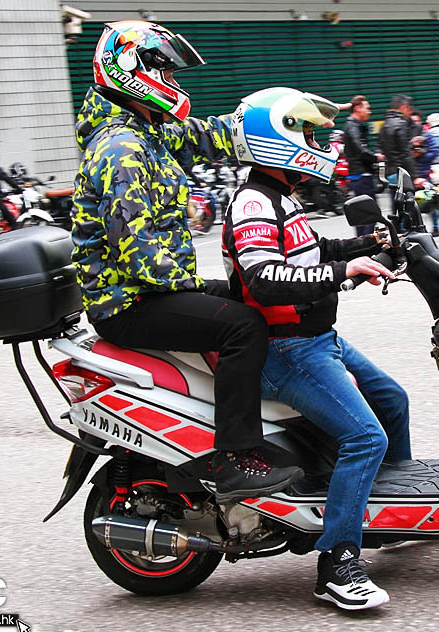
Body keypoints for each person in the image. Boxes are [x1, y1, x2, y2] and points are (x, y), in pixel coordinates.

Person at [70, 20, 302, 503]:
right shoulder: (122, 147)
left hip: (153, 288)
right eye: (164, 71)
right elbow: (138, 250)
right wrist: (191, 286)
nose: (173, 83)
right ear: (131, 71)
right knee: (242, 326)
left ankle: (278, 426)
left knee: (253, 296)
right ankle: (234, 457)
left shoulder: (148, 130)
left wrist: (286, 121)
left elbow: (210, 135)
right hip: (129, 301)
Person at [227, 87, 413, 611]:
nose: (315, 143)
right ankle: (337, 562)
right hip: (287, 349)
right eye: (305, 133)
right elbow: (265, 278)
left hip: (318, 339)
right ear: (275, 138)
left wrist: (362, 247)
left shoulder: (282, 196)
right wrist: (343, 270)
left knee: (392, 399)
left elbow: (314, 250)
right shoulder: (253, 201)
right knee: (364, 438)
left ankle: (379, 516)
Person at [343, 94, 383, 236]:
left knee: (362, 214)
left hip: (358, 175)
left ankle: (361, 245)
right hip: (362, 175)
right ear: (358, 108)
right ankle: (365, 245)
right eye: (367, 108)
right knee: (369, 213)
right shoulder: (353, 126)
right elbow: (360, 149)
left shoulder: (353, 126)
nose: (369, 111)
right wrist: (375, 157)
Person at [379, 94, 418, 183]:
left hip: (391, 174)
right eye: (410, 109)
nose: (410, 113)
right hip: (402, 173)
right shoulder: (400, 124)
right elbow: (405, 152)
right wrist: (415, 176)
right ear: (404, 107)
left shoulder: (384, 125)